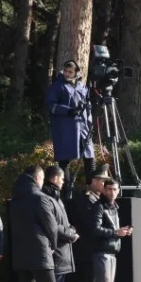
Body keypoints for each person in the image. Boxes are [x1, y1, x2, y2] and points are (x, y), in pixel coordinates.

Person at [10, 166, 60, 282]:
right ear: (38, 178)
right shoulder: (40, 198)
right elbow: (51, 226)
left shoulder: (15, 199)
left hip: (20, 252)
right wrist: (53, 246)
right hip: (39, 251)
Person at [37, 166, 78, 282]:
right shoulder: (47, 198)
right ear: (54, 178)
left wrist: (71, 229)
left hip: (61, 251)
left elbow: (63, 222)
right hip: (56, 252)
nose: (63, 182)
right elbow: (53, 225)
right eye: (61, 179)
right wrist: (70, 234)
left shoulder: (56, 198)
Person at [46, 60, 95, 195]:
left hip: (84, 128)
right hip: (65, 129)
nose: (67, 74)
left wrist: (90, 126)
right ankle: (67, 193)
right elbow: (50, 105)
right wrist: (67, 110)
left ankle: (92, 191)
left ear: (76, 73)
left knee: (89, 159)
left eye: (70, 72)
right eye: (66, 71)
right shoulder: (57, 86)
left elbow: (88, 109)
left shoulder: (82, 87)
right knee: (65, 161)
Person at [90, 178, 132, 282]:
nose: (113, 192)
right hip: (102, 253)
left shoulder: (114, 207)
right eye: (109, 189)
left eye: (115, 189)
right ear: (104, 190)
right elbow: (95, 229)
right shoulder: (99, 207)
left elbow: (111, 229)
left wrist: (123, 231)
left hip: (112, 252)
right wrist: (116, 232)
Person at [71, 166, 110, 282]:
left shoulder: (100, 199)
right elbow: (88, 225)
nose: (103, 184)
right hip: (86, 249)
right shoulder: (85, 199)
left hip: (96, 249)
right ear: (93, 181)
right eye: (102, 181)